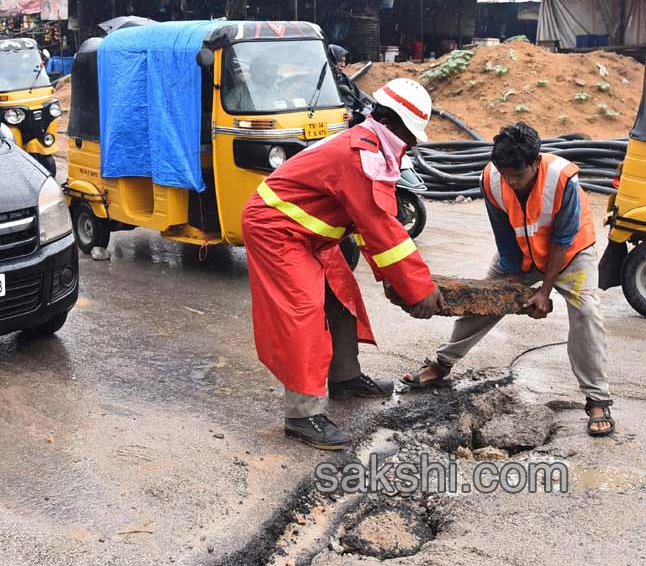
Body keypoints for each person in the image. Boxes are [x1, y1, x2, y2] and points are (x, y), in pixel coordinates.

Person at [242, 78, 446, 450]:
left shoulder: (371, 147)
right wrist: (420, 289)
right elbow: (383, 228)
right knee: (302, 314)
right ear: (395, 124)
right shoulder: (360, 155)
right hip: (277, 228)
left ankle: (345, 378)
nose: (413, 142)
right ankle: (301, 416)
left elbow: (370, 227)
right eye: (412, 134)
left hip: (310, 233)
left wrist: (389, 278)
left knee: (341, 298)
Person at [403, 122, 615, 437]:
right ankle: (441, 364)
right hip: (521, 253)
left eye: (517, 175)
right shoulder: (492, 178)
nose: (511, 182)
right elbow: (504, 235)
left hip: (569, 255)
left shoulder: (561, 180)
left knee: (586, 311)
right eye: (505, 174)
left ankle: (597, 400)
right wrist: (512, 286)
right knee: (486, 300)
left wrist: (544, 291)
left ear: (535, 162)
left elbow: (563, 239)